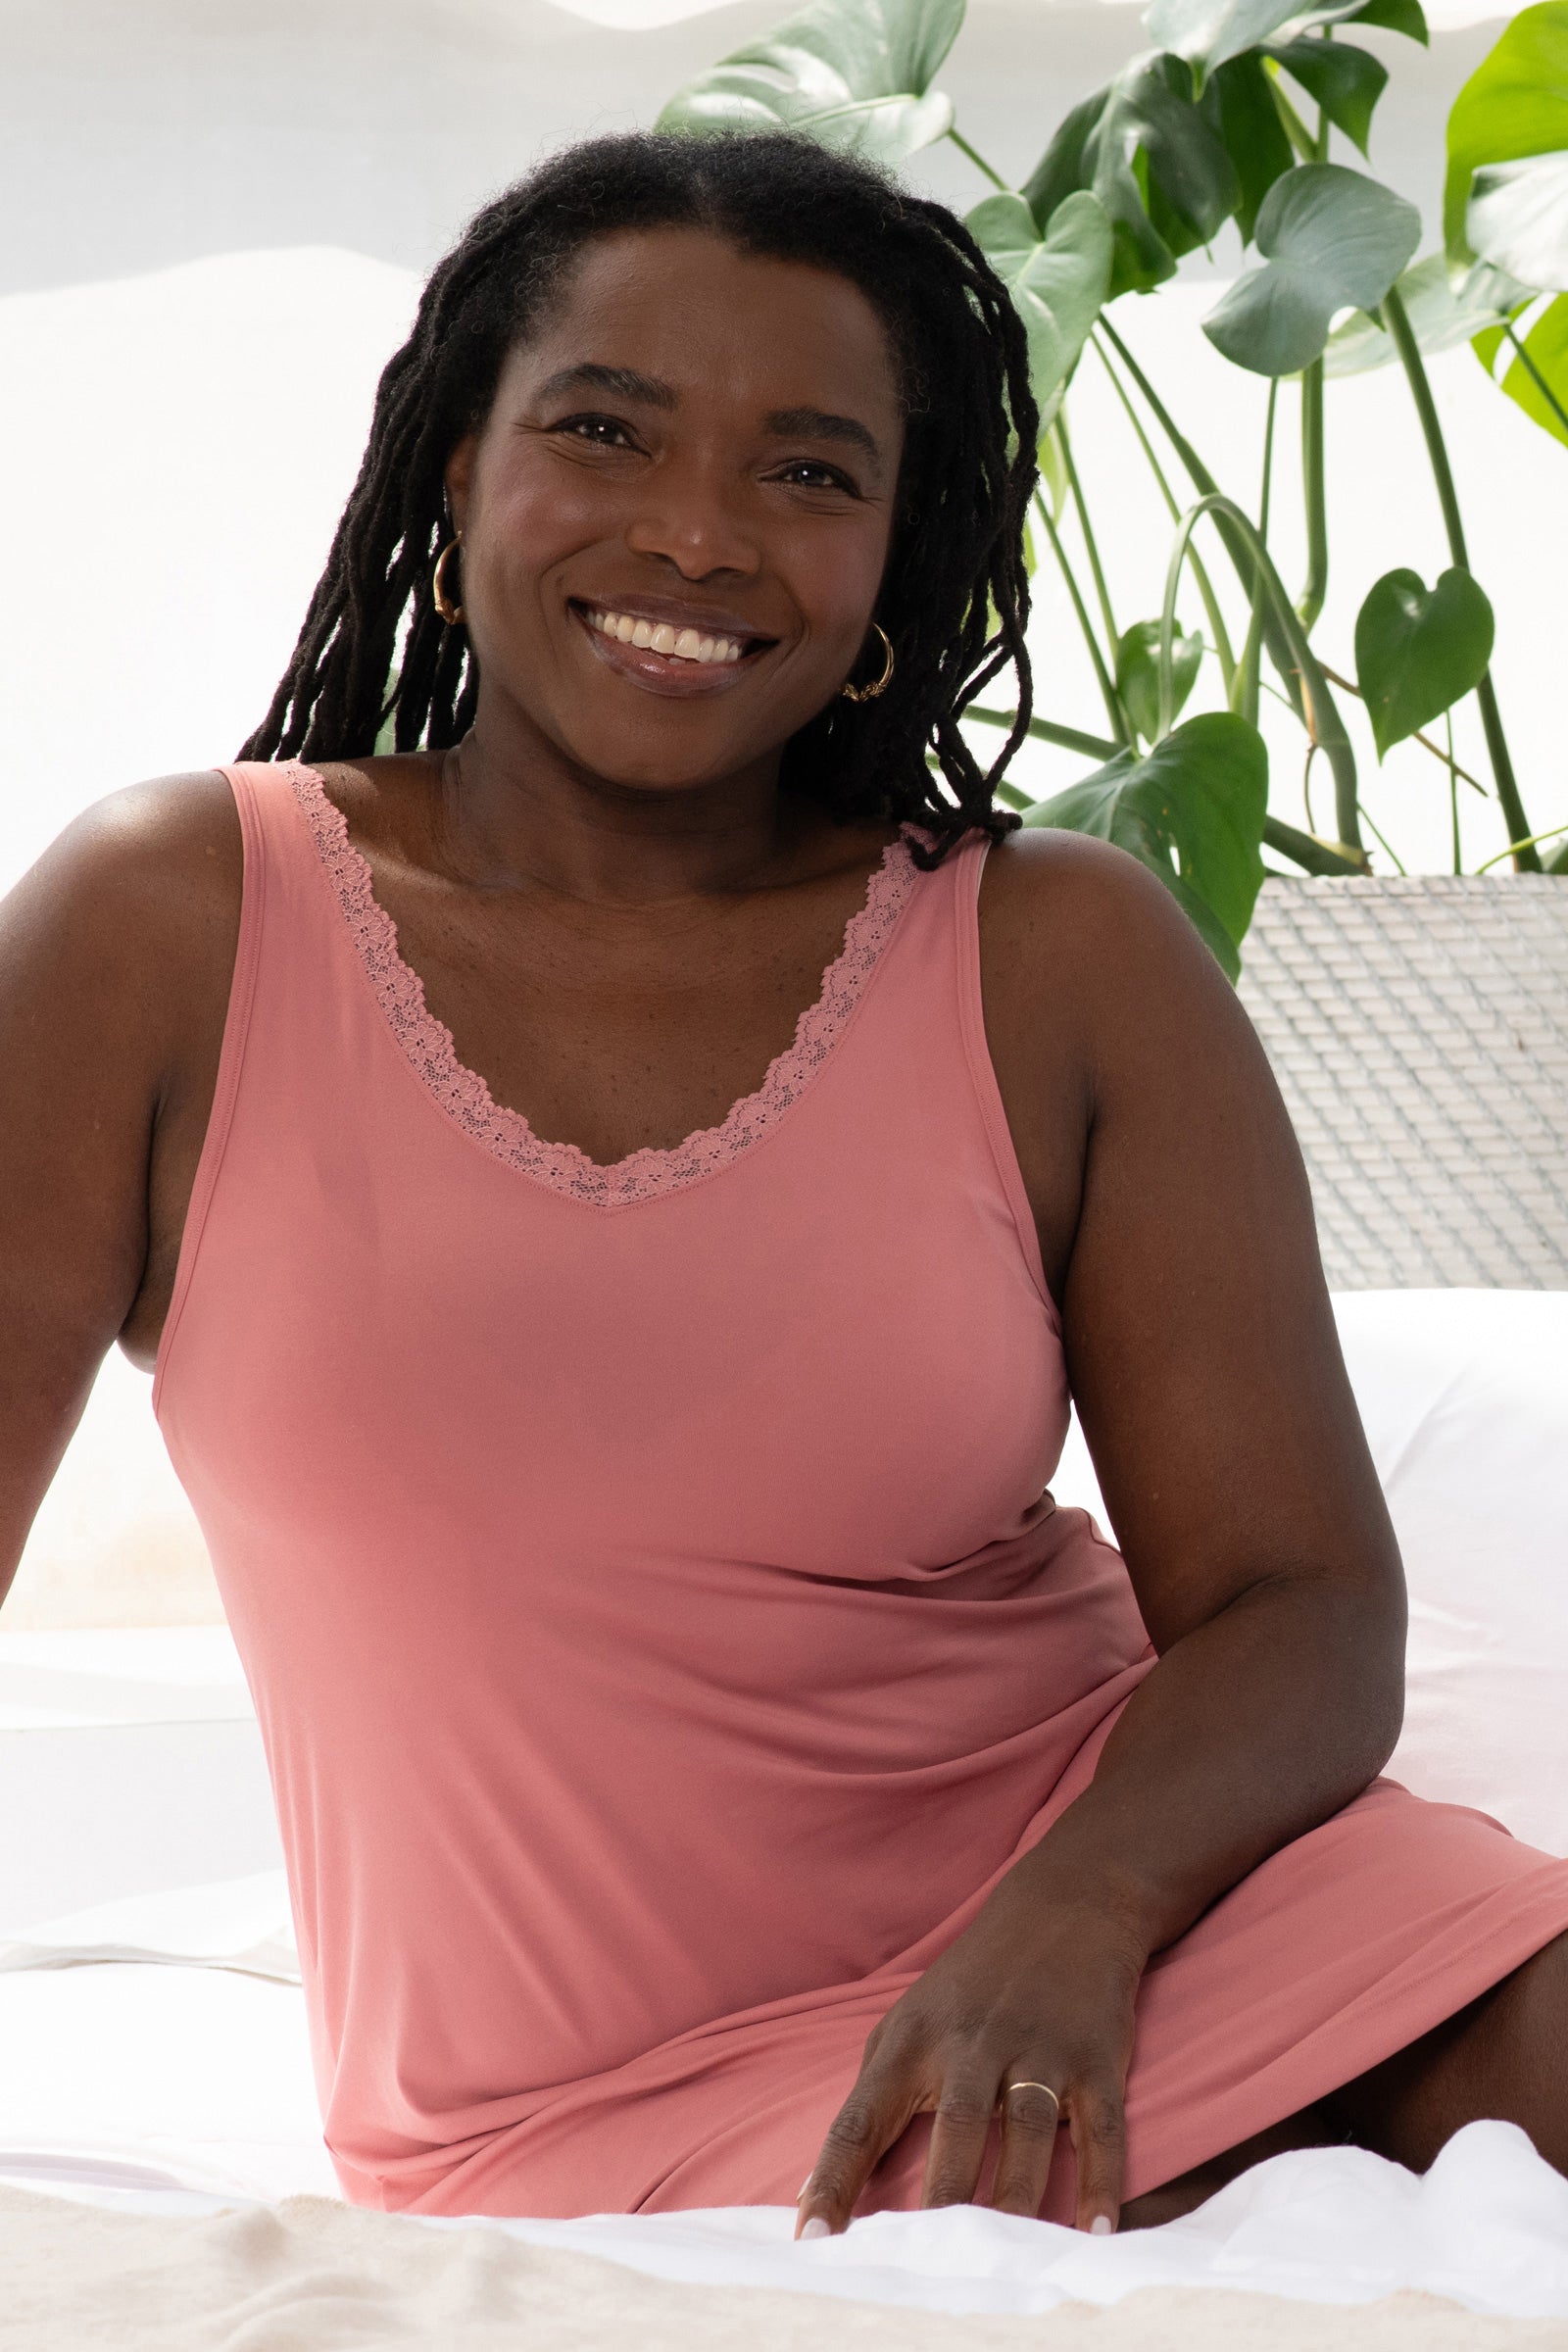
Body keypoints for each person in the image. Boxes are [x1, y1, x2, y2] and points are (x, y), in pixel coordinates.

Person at [3, 130, 1566, 2240]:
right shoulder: (168, 922)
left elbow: (1297, 1605)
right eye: (604, 430)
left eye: (809, 471)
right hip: (558, 2111)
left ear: (897, 544)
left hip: (1143, 1926)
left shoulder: (1059, 954)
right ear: (453, 463)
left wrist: (1075, 1909)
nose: (696, 533)